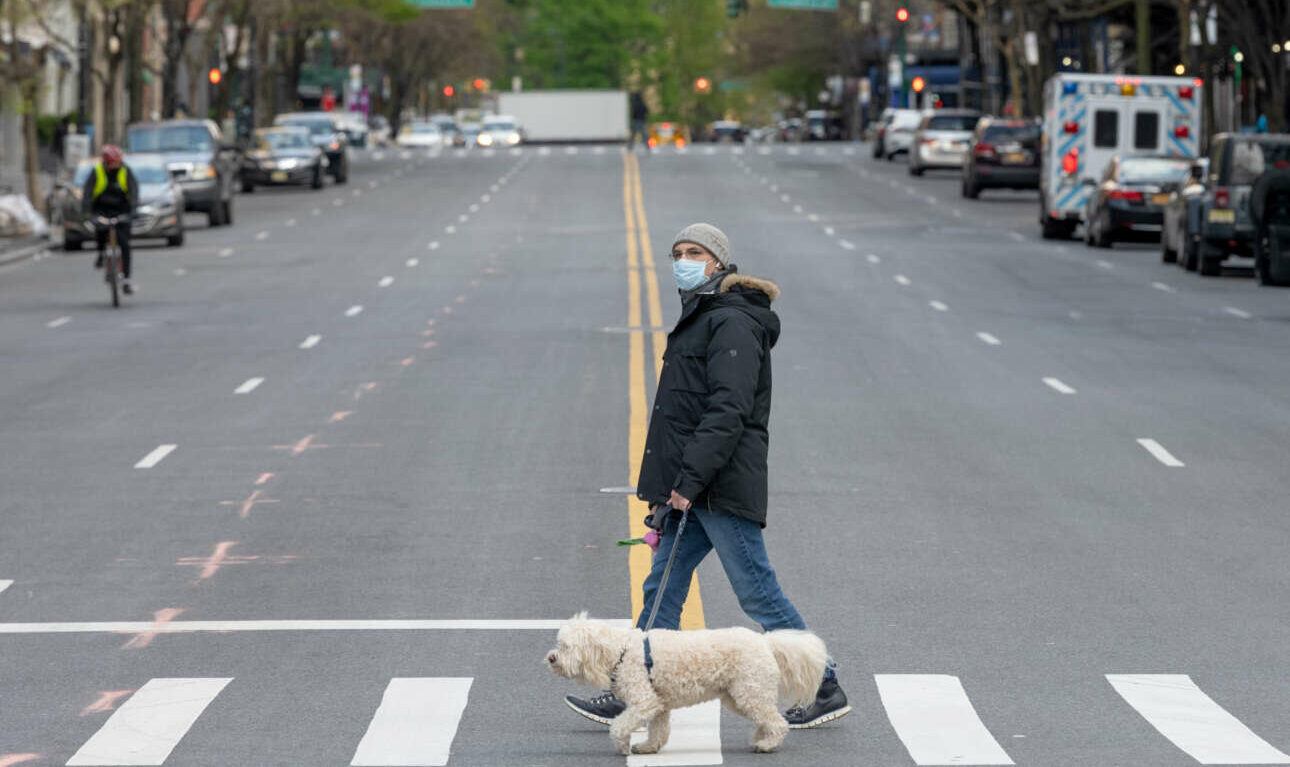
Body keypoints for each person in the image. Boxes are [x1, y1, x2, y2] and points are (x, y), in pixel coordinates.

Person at [565, 223, 851, 729]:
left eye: (694, 252)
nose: (683, 259)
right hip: (696, 485)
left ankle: (824, 682)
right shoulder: (702, 317)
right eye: (677, 252)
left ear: (719, 262)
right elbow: (681, 414)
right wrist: (672, 488)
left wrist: (689, 481)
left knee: (757, 592)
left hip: (719, 484)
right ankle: (631, 687)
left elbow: (727, 410)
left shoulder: (732, 323)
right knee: (664, 584)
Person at [82, 144, 139, 294]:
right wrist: (87, 213)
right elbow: (87, 193)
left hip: (122, 211)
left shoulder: (126, 171)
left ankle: (126, 279)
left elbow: (133, 191)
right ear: (107, 162)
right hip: (102, 210)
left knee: (125, 244)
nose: (116, 165)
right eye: (113, 162)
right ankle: (101, 253)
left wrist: (133, 210)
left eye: (118, 162)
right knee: (100, 233)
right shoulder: (97, 172)